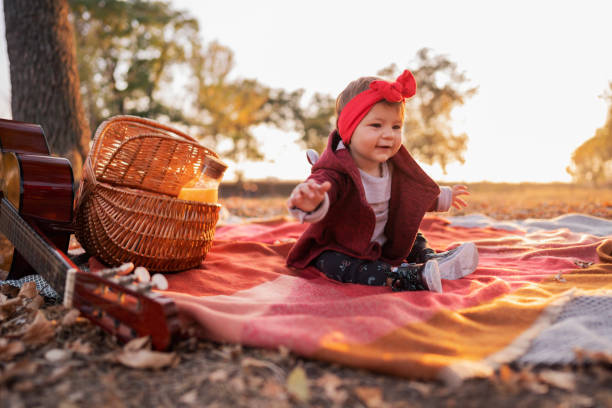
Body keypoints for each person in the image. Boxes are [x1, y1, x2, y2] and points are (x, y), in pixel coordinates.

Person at [286, 70, 478, 293]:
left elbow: (412, 193)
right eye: (376, 126)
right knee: (330, 261)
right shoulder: (336, 169)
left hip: (385, 242)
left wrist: (443, 196)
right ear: (349, 129)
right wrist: (312, 201)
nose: (389, 134)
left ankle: (432, 259)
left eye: (396, 127)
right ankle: (400, 278)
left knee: (411, 232)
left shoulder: (394, 165)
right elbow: (323, 188)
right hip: (346, 247)